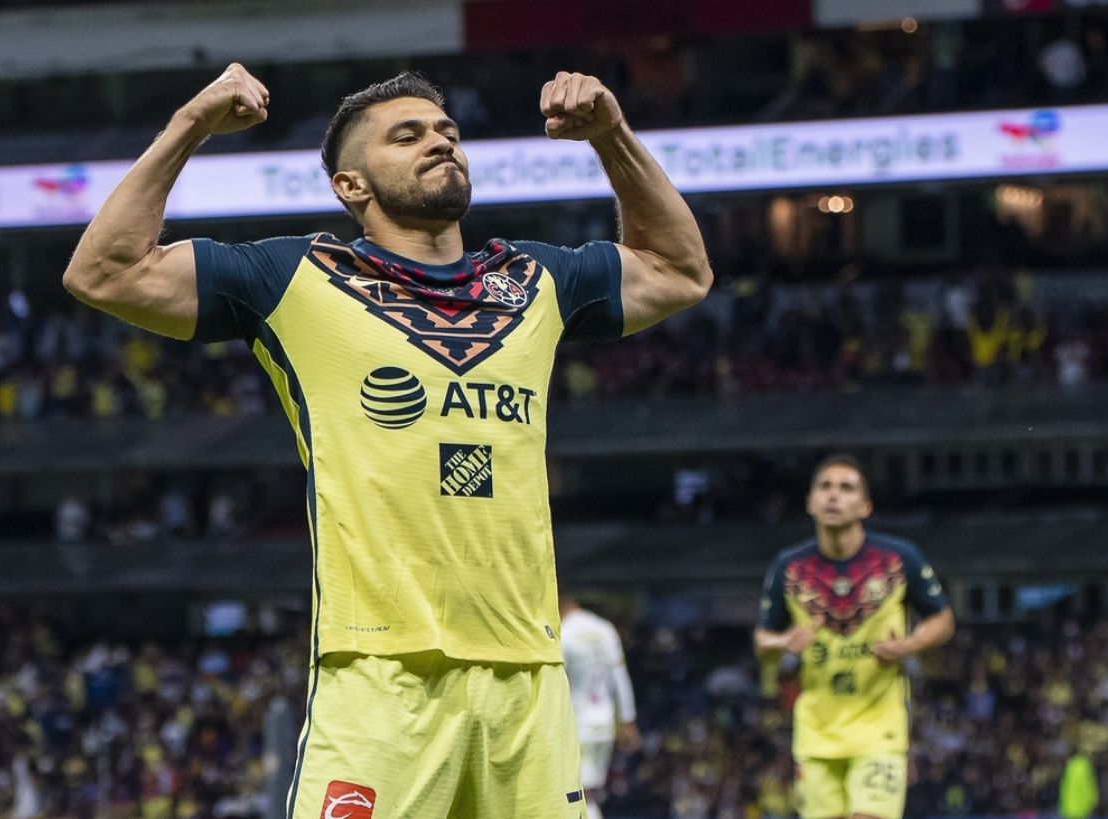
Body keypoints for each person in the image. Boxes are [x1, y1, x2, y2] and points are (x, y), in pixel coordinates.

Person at [62, 65, 710, 818]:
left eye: (446, 132)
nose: (440, 142)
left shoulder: (534, 279)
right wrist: (190, 124)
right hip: (380, 674)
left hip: (529, 677)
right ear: (351, 186)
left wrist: (612, 136)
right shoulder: (293, 276)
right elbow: (104, 272)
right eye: (407, 136)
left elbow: (679, 271)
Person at [754, 454, 954, 819]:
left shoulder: (899, 559)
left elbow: (942, 619)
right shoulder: (789, 567)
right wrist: (783, 643)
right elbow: (762, 640)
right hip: (816, 735)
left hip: (879, 731)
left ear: (865, 506)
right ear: (810, 502)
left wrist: (909, 645)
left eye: (846, 488)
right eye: (825, 487)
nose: (834, 495)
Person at [559, 594, 639, 819]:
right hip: (604, 725)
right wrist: (627, 720)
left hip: (576, 725)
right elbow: (619, 676)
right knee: (588, 793)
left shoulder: (563, 631)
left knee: (576, 794)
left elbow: (557, 681)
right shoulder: (605, 630)